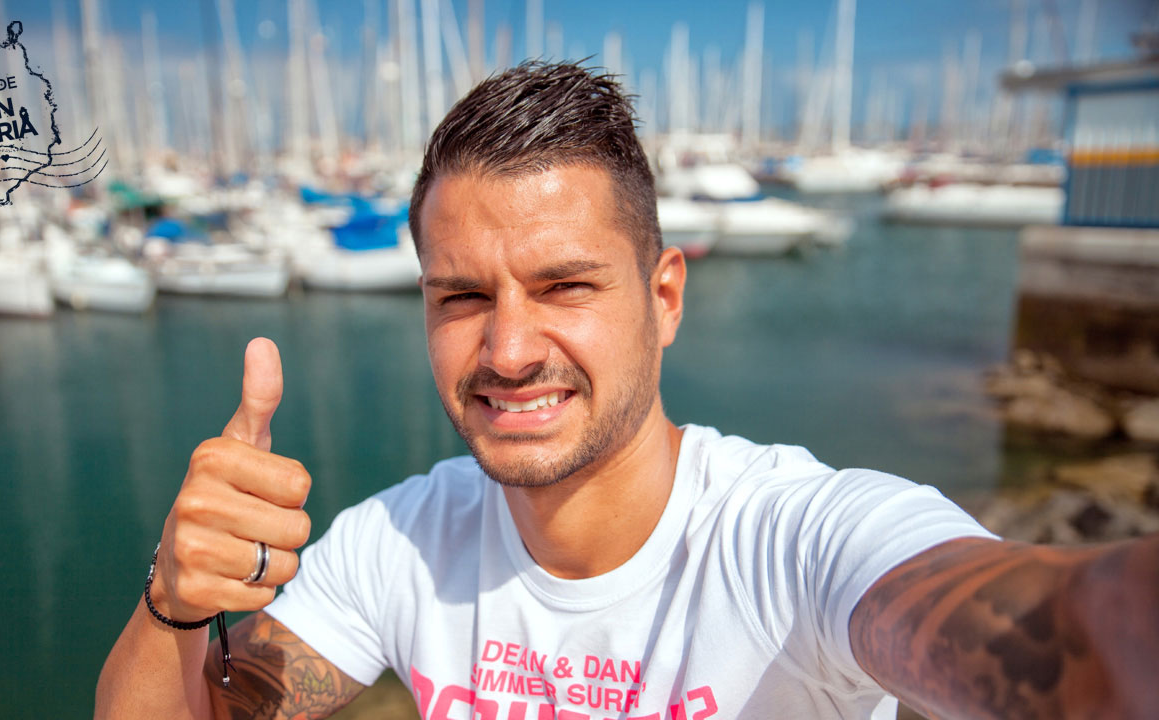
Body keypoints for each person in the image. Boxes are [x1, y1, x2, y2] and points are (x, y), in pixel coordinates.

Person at [96, 62, 1159, 720]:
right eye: (460, 296)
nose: (507, 348)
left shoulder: (788, 536)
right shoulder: (401, 542)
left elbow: (1047, 635)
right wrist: (175, 609)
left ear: (662, 297)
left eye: (562, 285)